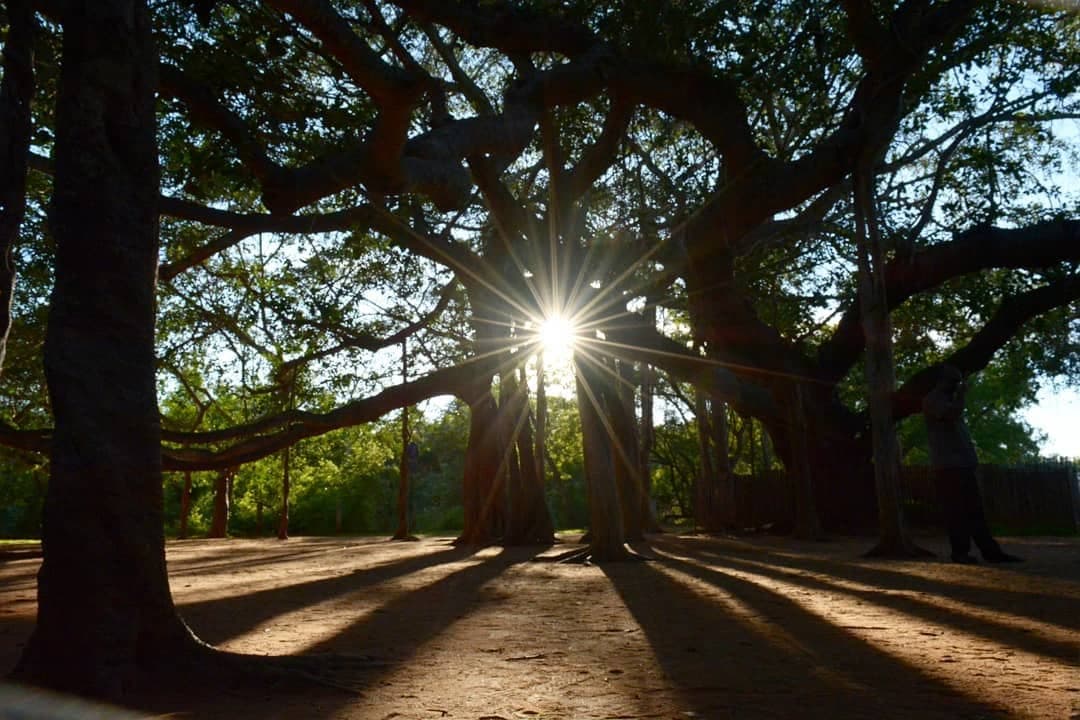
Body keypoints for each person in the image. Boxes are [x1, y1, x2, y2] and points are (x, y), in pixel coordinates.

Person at [922, 366, 1022, 564]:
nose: (956, 385)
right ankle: (960, 553)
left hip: (961, 465)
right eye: (954, 381)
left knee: (975, 511)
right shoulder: (933, 400)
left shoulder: (947, 399)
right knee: (956, 511)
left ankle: (990, 552)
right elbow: (952, 414)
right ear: (943, 381)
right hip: (948, 467)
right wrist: (961, 395)